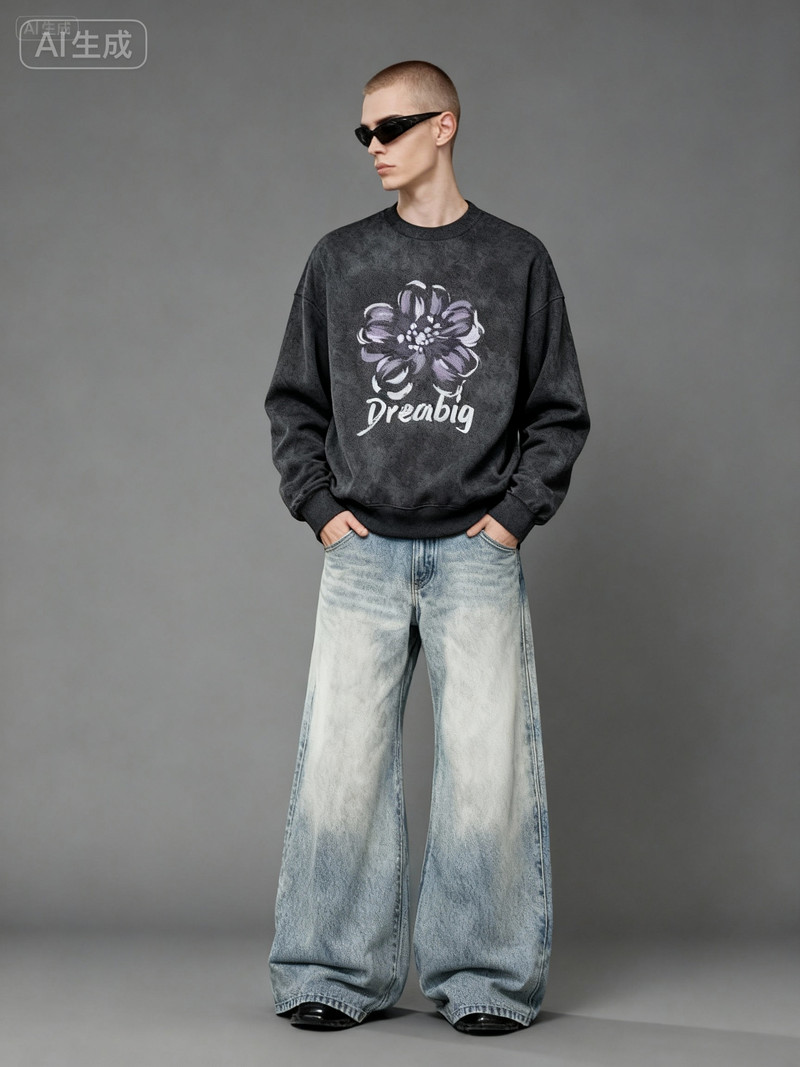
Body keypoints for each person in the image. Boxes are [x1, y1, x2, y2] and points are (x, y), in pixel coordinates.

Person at [263, 59, 590, 1036]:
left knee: (487, 771)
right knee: (340, 765)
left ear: (444, 126)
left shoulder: (515, 262)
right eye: (363, 133)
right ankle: (330, 969)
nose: (374, 147)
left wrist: (515, 514)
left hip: (476, 550)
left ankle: (486, 978)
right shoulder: (339, 260)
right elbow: (295, 400)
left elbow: (556, 409)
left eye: (392, 127)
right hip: (361, 551)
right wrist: (318, 506)